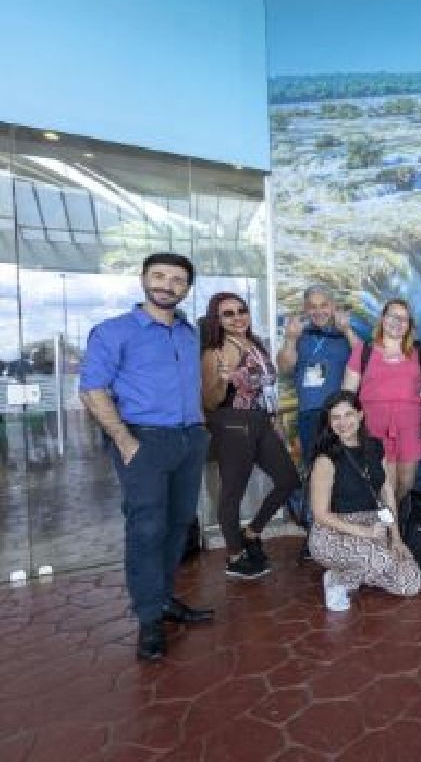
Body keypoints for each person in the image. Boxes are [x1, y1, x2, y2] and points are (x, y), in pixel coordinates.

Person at [79, 253, 213, 662]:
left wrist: (201, 430)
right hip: (143, 441)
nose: (167, 285)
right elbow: (92, 389)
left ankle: (164, 598)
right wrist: (123, 438)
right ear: (143, 279)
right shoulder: (113, 331)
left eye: (177, 280)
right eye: (159, 276)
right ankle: (149, 619)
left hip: (188, 440)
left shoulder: (189, 335)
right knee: (146, 529)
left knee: (177, 525)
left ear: (186, 288)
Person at [201, 293, 301, 580]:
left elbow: (267, 388)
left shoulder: (253, 343)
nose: (237, 317)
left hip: (260, 422)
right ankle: (235, 555)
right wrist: (222, 378)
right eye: (227, 314)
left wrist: (275, 420)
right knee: (232, 493)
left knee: (288, 480)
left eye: (241, 310)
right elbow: (209, 401)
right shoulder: (216, 351)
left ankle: (252, 532)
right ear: (216, 319)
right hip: (232, 424)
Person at [308, 391, 421, 610]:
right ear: (329, 422)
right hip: (333, 532)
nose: (343, 423)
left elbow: (387, 491)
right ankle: (337, 579)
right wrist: (365, 533)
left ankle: (354, 572)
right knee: (381, 560)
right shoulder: (326, 458)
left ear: (360, 415)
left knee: (412, 583)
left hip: (373, 525)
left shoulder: (374, 446)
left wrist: (396, 538)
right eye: (336, 417)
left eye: (348, 415)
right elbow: (320, 515)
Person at [343, 298, 421, 502]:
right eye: (392, 316)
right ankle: (392, 532)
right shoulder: (363, 351)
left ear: (409, 325)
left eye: (404, 319)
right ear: (382, 319)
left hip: (410, 429)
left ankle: (391, 523)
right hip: (375, 429)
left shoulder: (420, 352)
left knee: (406, 483)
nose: (397, 322)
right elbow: (347, 394)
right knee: (385, 485)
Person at [276, 284, 360, 461]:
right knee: (314, 466)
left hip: (340, 413)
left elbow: (365, 361)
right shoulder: (299, 334)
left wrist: (347, 330)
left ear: (333, 307)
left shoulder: (346, 334)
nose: (319, 311)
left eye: (324, 305)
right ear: (306, 309)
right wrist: (290, 339)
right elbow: (284, 367)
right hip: (309, 413)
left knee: (343, 466)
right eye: (313, 306)